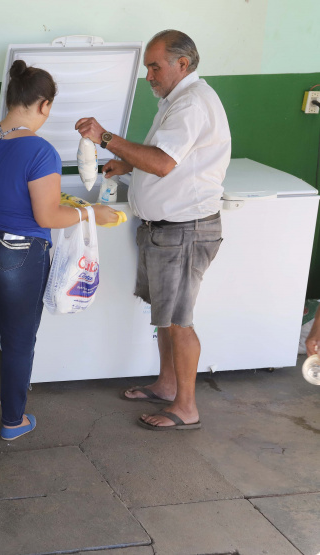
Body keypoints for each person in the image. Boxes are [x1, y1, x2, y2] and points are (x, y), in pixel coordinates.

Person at [0, 60, 120, 441]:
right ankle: (13, 421)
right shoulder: (39, 151)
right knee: (18, 337)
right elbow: (47, 214)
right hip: (16, 252)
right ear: (44, 105)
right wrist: (90, 213)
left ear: (11, 97)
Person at [76, 30, 231, 431]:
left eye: (155, 65)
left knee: (179, 319)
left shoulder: (192, 104)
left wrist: (105, 138)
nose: (148, 74)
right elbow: (172, 159)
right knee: (165, 315)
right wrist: (127, 164)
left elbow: (163, 163)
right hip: (164, 229)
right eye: (147, 66)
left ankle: (186, 407)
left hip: (184, 230)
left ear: (183, 64)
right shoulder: (176, 101)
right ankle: (166, 386)